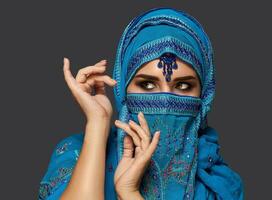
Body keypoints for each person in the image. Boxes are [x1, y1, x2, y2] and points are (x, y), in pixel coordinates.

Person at [38, 7, 244, 200]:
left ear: (204, 96)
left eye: (182, 86)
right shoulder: (78, 154)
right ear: (123, 92)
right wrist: (97, 125)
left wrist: (129, 193)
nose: (165, 101)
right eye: (147, 84)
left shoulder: (218, 184)